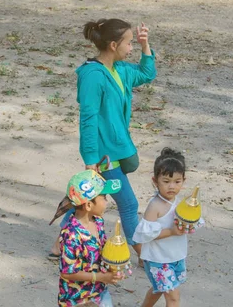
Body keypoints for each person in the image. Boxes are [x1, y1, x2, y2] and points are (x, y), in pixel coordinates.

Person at [51, 19, 156, 259]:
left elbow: (147, 73)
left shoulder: (119, 70)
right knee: (128, 205)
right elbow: (88, 120)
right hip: (104, 156)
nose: (131, 49)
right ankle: (144, 253)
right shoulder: (93, 76)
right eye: (129, 43)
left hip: (116, 150)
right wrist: (90, 160)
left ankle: (58, 244)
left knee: (91, 199)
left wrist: (145, 45)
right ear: (112, 45)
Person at [133, 148, 201, 307]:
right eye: (166, 181)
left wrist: (189, 226)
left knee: (158, 289)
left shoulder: (180, 202)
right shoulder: (155, 206)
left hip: (175, 256)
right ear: (155, 181)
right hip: (158, 259)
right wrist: (171, 231)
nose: (172, 186)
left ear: (184, 180)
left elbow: (190, 220)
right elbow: (146, 235)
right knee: (173, 297)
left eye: (177, 182)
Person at [57, 170, 124, 307]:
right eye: (104, 198)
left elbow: (100, 253)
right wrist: (101, 277)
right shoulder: (71, 234)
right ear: (88, 205)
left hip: (99, 293)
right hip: (78, 300)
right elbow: (68, 273)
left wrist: (113, 268)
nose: (107, 202)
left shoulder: (98, 221)